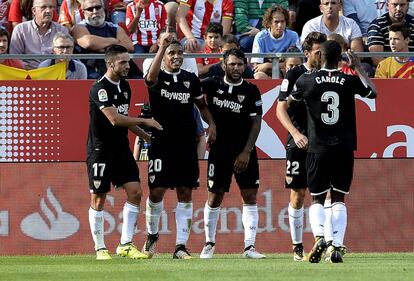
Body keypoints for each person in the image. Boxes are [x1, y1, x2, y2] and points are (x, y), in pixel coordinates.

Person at [288, 40, 377, 263]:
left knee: (317, 197)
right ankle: (336, 246)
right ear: (340, 59)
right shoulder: (348, 80)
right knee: (338, 198)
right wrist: (357, 67)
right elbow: (373, 93)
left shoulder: (306, 79)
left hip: (317, 146)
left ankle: (319, 237)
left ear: (320, 56)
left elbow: (289, 102)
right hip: (343, 147)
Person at [142, 32, 216, 259]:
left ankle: (180, 246)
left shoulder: (190, 79)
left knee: (185, 191)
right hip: (162, 143)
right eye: (171, 53)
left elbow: (201, 106)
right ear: (164, 56)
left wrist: (211, 124)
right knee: (157, 191)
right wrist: (161, 48)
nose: (176, 57)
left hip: (185, 143)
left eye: (179, 53)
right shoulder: (157, 76)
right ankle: (152, 236)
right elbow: (149, 78)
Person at [87, 44, 163, 260]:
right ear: (110, 64)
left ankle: (125, 244)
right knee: (99, 198)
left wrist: (146, 136)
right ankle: (100, 248)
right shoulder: (99, 88)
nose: (128, 65)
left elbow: (125, 120)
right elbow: (115, 119)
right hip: (100, 150)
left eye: (128, 61)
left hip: (121, 148)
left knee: (136, 192)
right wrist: (146, 121)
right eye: (123, 62)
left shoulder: (125, 86)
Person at [199, 48, 265, 259]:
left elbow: (256, 123)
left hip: (244, 150)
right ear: (223, 64)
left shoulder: (251, 90)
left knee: (250, 195)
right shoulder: (212, 84)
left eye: (240, 64)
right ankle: (209, 244)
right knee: (215, 195)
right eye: (232, 64)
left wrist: (246, 151)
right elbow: (198, 100)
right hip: (219, 150)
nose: (236, 68)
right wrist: (211, 123)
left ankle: (249, 247)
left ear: (245, 65)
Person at [276, 31, 326, 261]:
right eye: (318, 51)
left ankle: (323, 241)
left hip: (323, 143)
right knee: (298, 194)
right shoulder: (295, 73)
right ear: (307, 53)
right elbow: (280, 108)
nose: (322, 55)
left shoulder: (329, 73)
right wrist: (295, 133)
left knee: (325, 194)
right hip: (299, 141)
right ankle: (297, 245)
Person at [72, 0, 136, 79]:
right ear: (83, 12)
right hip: (89, 69)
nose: (95, 12)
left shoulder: (115, 27)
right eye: (90, 9)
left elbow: (129, 46)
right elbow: (89, 43)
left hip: (115, 68)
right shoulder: (78, 28)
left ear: (103, 8)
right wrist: (114, 41)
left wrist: (101, 47)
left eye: (98, 7)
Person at [9, 0, 68, 69]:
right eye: (43, 7)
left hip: (53, 73)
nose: (48, 11)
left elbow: (66, 56)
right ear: (34, 11)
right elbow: (14, 58)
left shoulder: (61, 30)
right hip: (27, 74)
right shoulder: (20, 30)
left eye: (51, 7)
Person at [251, 5, 301, 79]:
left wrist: (268, 65)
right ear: (269, 23)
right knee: (258, 76)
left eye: (282, 21)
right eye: (276, 22)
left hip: (286, 72)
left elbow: (297, 63)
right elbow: (257, 67)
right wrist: (280, 65)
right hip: (266, 73)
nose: (280, 25)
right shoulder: (260, 37)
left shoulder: (293, 36)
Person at [368, 0, 414, 66]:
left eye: (402, 5)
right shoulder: (377, 25)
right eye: (395, 5)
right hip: (387, 73)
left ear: (408, 6)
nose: (398, 9)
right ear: (387, 5)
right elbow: (377, 60)